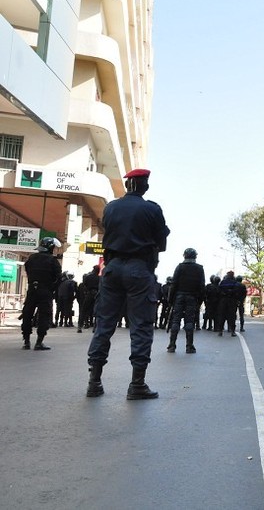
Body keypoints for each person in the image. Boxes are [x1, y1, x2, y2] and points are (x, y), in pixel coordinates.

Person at [86, 168, 170, 399]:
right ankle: (137, 384)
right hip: (138, 270)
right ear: (145, 186)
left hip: (112, 269)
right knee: (141, 326)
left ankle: (94, 382)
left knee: (104, 325)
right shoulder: (152, 209)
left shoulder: (111, 207)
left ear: (128, 185)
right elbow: (161, 244)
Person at [20, 237, 62, 350]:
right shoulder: (53, 261)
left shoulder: (32, 258)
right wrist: (51, 289)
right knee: (44, 315)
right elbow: (59, 278)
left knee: (27, 314)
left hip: (32, 290)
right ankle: (39, 342)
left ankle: (26, 341)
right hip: (45, 291)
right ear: (51, 248)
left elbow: (27, 270)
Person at [167, 248, 205, 353]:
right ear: (195, 256)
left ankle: (172, 345)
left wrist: (170, 300)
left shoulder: (180, 267)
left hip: (179, 297)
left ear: (184, 256)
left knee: (175, 320)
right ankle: (189, 346)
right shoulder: (199, 268)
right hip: (192, 298)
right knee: (189, 321)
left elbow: (173, 284)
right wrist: (200, 301)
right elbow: (202, 287)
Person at [77, 265, 100, 333]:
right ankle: (95, 327)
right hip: (96, 294)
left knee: (84, 310)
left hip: (89, 294)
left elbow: (85, 285)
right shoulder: (100, 278)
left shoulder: (88, 277)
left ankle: (80, 326)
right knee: (96, 311)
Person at [217, 271, 241, 336]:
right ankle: (232, 331)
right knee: (232, 316)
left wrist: (224, 294)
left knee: (222, 316)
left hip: (223, 301)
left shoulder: (223, 282)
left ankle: (220, 331)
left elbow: (219, 291)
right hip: (232, 301)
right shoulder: (235, 283)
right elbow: (237, 292)